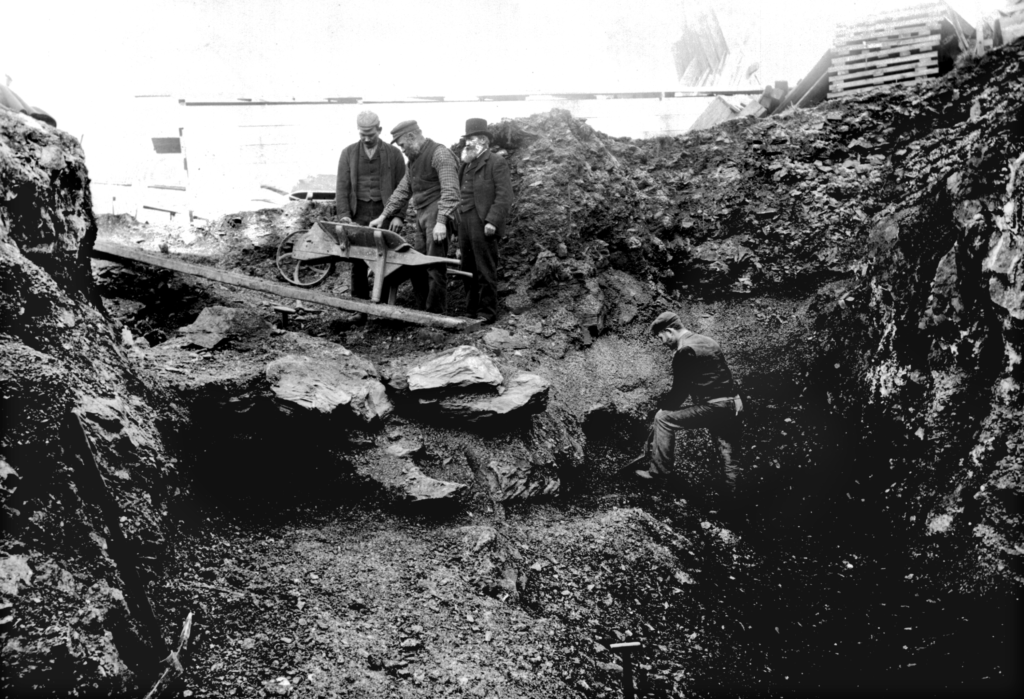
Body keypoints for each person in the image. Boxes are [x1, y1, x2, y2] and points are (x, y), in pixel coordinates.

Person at [640, 311, 744, 508]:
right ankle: (732, 507)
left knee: (663, 418)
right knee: (728, 455)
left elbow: (680, 392)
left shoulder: (685, 351)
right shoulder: (708, 341)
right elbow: (723, 374)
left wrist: (659, 410)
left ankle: (658, 472)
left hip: (714, 407)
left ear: (669, 331)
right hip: (733, 405)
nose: (662, 342)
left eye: (661, 337)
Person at [370, 120, 460, 315]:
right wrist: (383, 215)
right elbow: (402, 190)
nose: (402, 150)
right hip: (422, 216)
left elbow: (451, 190)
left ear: (411, 137)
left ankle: (435, 315)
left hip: (437, 216)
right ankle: (422, 313)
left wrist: (442, 222)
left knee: (435, 267)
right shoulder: (413, 162)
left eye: (402, 145)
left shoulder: (440, 154)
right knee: (416, 265)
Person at [335, 111, 406, 301]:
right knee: (358, 260)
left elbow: (404, 186)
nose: (366, 139)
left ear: (379, 130)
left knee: (386, 258)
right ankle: (359, 306)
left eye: (371, 135)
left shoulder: (394, 154)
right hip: (358, 213)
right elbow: (342, 187)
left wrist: (399, 215)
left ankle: (382, 304)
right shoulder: (348, 153)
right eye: (362, 135)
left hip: (385, 213)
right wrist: (344, 215)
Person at [457, 118, 513, 324]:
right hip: (465, 222)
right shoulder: (466, 165)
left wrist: (492, 221)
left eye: (471, 139)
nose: (467, 143)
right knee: (467, 268)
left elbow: (504, 196)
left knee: (485, 269)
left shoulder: (496, 163)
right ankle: (471, 311)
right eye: (466, 140)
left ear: (483, 140)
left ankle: (487, 313)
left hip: (483, 223)